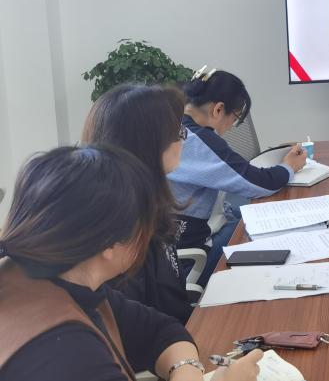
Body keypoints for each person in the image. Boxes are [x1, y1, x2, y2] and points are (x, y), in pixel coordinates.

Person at [0, 145, 262, 381]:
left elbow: (160, 331)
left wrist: (186, 370)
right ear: (110, 243)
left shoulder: (57, 282)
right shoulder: (69, 353)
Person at [169, 68, 306, 267]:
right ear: (218, 109)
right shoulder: (198, 140)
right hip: (185, 256)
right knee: (270, 236)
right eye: (234, 118)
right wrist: (289, 166)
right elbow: (259, 184)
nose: (231, 127)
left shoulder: (169, 122)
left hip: (162, 243)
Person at [81, 84, 192, 323]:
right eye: (178, 133)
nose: (183, 140)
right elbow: (134, 328)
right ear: (150, 144)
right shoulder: (122, 231)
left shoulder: (147, 205)